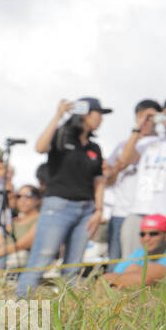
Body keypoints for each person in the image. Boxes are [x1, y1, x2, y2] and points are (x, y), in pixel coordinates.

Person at [19, 98, 111, 293]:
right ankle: (18, 308)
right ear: (86, 113)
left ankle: (67, 310)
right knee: (42, 259)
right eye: (98, 113)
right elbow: (40, 147)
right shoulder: (62, 134)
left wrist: (98, 210)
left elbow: (99, 180)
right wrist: (58, 115)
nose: (101, 119)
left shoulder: (94, 148)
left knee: (73, 265)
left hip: (86, 210)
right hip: (58, 206)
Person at [120, 97, 166, 258]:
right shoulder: (148, 142)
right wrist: (140, 125)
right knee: (130, 262)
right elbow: (124, 161)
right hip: (139, 210)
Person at [102, 99, 161, 264]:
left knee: (145, 264)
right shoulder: (122, 144)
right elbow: (108, 181)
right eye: (144, 116)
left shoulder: (162, 143)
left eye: (152, 117)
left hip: (148, 211)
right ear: (136, 117)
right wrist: (116, 169)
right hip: (121, 212)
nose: (147, 121)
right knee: (116, 262)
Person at [103, 214, 166, 289]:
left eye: (153, 234)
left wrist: (109, 280)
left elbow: (144, 280)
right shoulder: (138, 253)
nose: (146, 238)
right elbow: (109, 279)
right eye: (142, 234)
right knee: (133, 267)